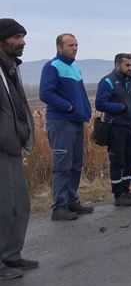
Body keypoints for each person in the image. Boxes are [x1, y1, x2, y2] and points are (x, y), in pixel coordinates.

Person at [39, 33, 94, 221]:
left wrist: (85, 110)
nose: (75, 48)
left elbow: (80, 93)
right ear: (59, 47)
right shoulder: (52, 66)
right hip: (61, 122)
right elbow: (45, 93)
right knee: (62, 165)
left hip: (76, 121)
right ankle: (59, 207)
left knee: (76, 164)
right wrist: (69, 107)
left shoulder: (75, 67)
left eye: (76, 45)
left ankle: (71, 201)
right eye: (70, 45)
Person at [0, 18, 38, 279]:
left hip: (13, 145)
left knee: (20, 204)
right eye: (16, 37)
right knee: (3, 205)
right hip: (1, 146)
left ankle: (11, 255)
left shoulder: (12, 67)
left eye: (23, 37)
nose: (22, 42)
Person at [95, 53, 131, 207]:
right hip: (115, 127)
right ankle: (118, 194)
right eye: (127, 65)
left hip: (128, 127)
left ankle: (126, 190)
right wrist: (120, 108)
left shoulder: (128, 81)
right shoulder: (108, 81)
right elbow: (100, 103)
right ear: (117, 65)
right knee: (118, 161)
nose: (130, 68)